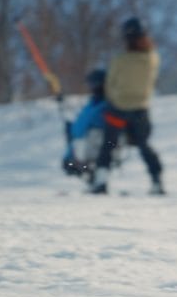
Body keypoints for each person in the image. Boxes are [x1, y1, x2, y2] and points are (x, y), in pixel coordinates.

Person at [90, 17, 164, 195]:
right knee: (144, 145)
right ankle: (156, 181)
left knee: (108, 144)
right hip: (140, 110)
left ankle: (100, 181)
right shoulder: (153, 58)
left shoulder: (119, 60)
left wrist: (113, 98)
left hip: (117, 110)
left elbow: (110, 84)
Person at [62, 68, 108, 180]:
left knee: (72, 163)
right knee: (71, 161)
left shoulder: (100, 104)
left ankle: (89, 173)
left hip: (99, 143)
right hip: (97, 143)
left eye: (92, 83)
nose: (90, 87)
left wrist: (71, 130)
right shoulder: (96, 102)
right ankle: (88, 174)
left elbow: (80, 128)